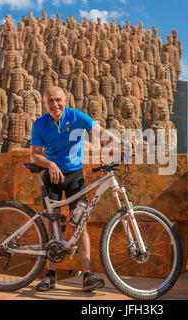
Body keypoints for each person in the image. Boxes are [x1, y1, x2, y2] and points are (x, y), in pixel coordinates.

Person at [30, 86, 127, 293]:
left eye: (58, 100)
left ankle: (87, 275)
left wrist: (119, 141)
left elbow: (101, 134)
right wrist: (50, 164)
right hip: (52, 176)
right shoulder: (39, 124)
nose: (54, 104)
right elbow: (34, 156)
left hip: (74, 176)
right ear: (44, 103)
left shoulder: (76, 117)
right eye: (50, 101)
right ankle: (50, 274)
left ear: (65, 99)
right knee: (51, 223)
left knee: (80, 223)